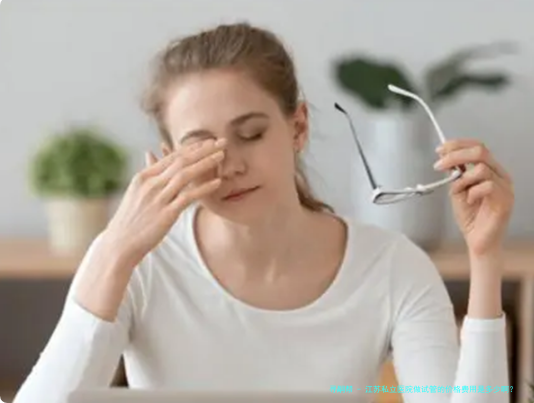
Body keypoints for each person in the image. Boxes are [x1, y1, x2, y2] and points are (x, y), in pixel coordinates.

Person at [13, 22, 514, 403]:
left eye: (251, 134)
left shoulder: (392, 268)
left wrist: (485, 255)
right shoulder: (137, 267)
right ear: (168, 159)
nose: (230, 165)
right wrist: (115, 251)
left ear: (298, 127)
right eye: (201, 147)